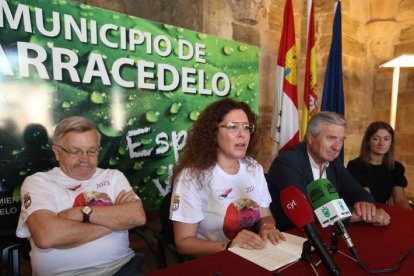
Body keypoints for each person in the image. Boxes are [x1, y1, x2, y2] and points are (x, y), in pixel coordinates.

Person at [16, 116, 146, 275]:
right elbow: (47, 236)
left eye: (92, 150)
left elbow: (137, 216)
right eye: (75, 151)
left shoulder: (113, 176)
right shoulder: (38, 183)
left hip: (122, 268)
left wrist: (78, 213)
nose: (84, 158)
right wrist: (116, 220)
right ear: (57, 152)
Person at [170, 98, 285, 257]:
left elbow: (266, 216)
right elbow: (183, 243)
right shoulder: (192, 177)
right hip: (214, 259)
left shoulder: (253, 168)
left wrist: (267, 227)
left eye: (246, 128)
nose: (242, 135)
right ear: (213, 133)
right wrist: (229, 246)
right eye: (232, 127)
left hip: (252, 253)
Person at [267, 111, 391, 231]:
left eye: (341, 140)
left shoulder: (332, 161)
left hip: (325, 231)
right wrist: (359, 215)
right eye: (331, 138)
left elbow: (359, 192)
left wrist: (366, 206)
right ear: (310, 137)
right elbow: (305, 210)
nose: (337, 147)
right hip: (291, 234)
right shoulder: (287, 162)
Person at [347, 121, 412, 209]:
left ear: (391, 142)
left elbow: (400, 200)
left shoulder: (397, 167)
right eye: (376, 138)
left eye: (386, 139)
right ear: (368, 142)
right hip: (365, 211)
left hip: (387, 210)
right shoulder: (355, 166)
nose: (381, 143)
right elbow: (367, 199)